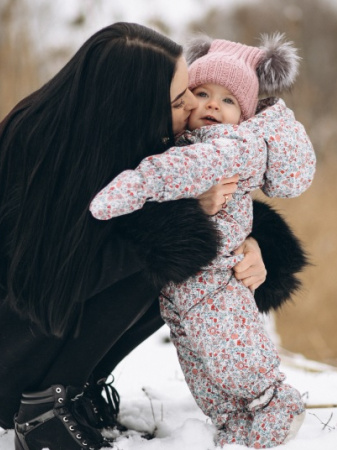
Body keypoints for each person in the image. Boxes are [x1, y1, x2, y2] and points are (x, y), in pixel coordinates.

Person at [0, 22, 309, 450]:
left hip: (35, 334)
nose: (195, 108)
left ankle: (70, 390)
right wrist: (191, 214)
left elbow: (226, 207)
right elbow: (55, 273)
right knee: (163, 252)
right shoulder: (38, 153)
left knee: (176, 249)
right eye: (182, 98)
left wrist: (255, 245)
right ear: (136, 103)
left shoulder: (131, 136)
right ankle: (45, 411)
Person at [89, 34, 315, 448]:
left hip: (216, 281)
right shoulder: (180, 141)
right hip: (181, 292)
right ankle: (232, 422)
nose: (212, 104)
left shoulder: (230, 147)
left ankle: (275, 405)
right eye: (202, 92)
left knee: (236, 357)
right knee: (201, 367)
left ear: (244, 116)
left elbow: (185, 169)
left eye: (228, 101)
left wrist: (136, 186)